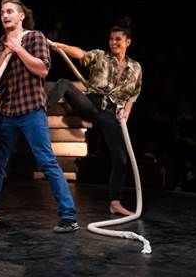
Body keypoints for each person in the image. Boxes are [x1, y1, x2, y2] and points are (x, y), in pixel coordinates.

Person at [0, 0, 79, 234]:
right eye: (2, 12)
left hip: (31, 109)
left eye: (10, 11)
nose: (5, 15)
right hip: (6, 111)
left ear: (21, 16)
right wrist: (5, 54)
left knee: (46, 161)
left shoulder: (35, 37)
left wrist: (18, 49)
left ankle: (69, 216)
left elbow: (43, 69)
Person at [46, 17, 143, 216]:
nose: (113, 43)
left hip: (111, 113)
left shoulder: (136, 68)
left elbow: (133, 95)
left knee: (121, 159)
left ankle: (115, 202)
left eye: (118, 39)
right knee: (64, 83)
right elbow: (81, 54)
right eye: (111, 39)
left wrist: (126, 112)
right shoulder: (100, 56)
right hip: (91, 104)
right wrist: (58, 46)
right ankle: (39, 110)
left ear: (128, 42)